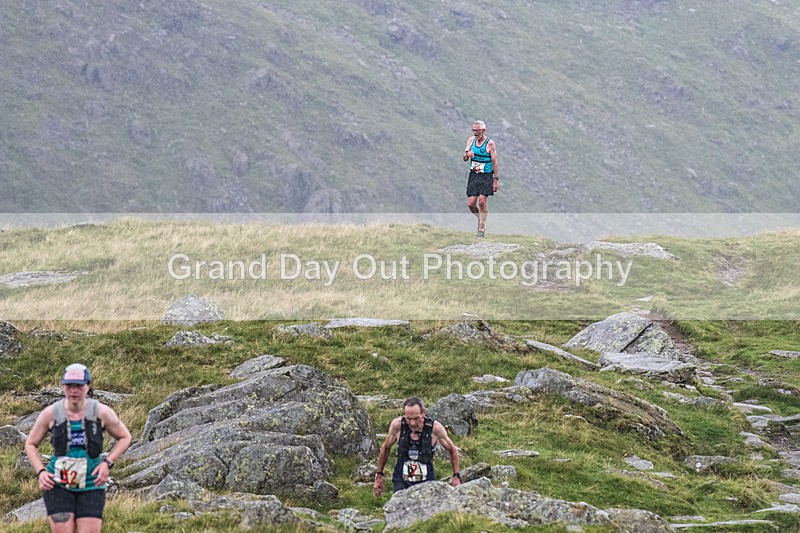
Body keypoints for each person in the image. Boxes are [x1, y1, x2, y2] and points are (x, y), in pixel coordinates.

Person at [24, 363, 132, 533]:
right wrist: (41, 471)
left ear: (88, 386)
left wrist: (107, 463)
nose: (73, 390)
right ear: (63, 386)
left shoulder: (101, 412)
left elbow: (125, 437)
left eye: (78, 386)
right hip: (58, 484)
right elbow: (30, 444)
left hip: (91, 484)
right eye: (69, 386)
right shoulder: (51, 413)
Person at [373, 397, 461, 496]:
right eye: (408, 419)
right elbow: (386, 448)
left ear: (423, 413)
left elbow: (452, 450)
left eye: (416, 418)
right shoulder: (397, 426)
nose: (412, 423)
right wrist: (379, 475)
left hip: (426, 481)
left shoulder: (435, 429)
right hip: (401, 481)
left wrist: (456, 476)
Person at [463, 120, 499, 238]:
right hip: (474, 175)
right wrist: (468, 155)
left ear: (483, 130)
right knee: (471, 204)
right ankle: (480, 218)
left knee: (482, 202)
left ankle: (481, 229)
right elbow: (464, 158)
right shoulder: (471, 141)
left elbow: (494, 161)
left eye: (478, 131)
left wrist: (495, 179)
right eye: (473, 130)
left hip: (486, 175)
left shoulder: (490, 143)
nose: (475, 133)